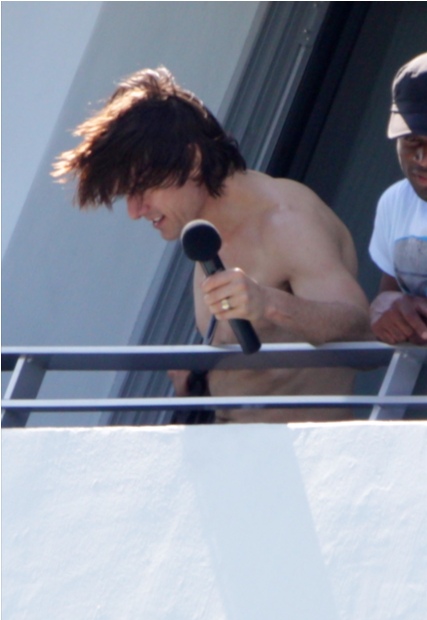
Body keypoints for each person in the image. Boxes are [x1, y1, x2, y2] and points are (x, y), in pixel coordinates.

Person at [52, 66, 370, 423]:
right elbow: (256, 365)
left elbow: (365, 339)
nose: (134, 211)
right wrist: (199, 377)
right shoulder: (203, 232)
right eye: (127, 195)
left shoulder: (287, 222)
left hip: (306, 448)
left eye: (141, 189)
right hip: (228, 444)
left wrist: (269, 303)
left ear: (192, 161)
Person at [369, 52, 427, 345]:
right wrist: (383, 307)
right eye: (411, 140)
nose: (422, 159)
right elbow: (389, 296)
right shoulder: (395, 202)